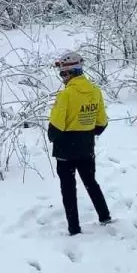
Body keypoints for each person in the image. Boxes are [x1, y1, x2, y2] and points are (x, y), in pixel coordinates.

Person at [48, 52, 111, 236]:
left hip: (65, 149)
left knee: (68, 189)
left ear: (70, 73)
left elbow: (55, 128)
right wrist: (86, 132)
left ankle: (74, 229)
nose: (62, 79)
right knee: (91, 182)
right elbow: (101, 124)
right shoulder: (95, 91)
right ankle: (104, 216)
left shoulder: (66, 95)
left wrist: (54, 137)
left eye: (62, 74)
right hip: (86, 147)